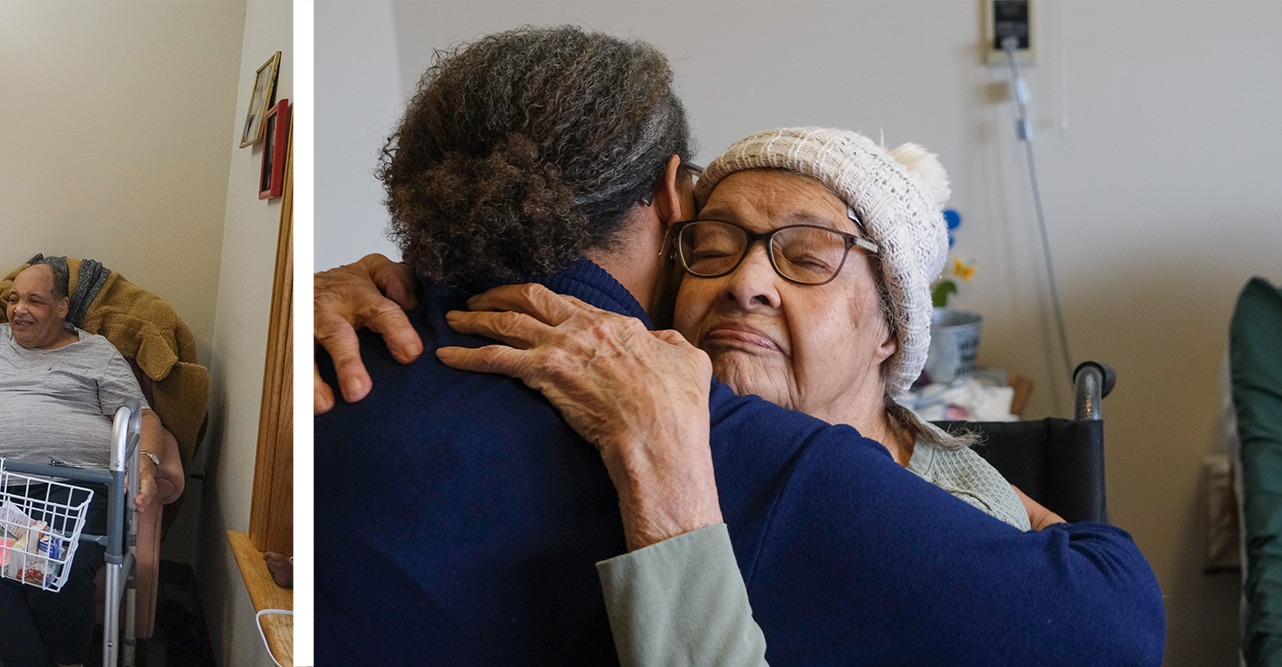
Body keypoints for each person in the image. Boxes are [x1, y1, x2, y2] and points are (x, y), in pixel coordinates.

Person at [314, 27, 1160, 667]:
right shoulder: (723, 450)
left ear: (895, 325)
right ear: (669, 211)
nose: (748, 282)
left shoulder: (336, 356)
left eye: (806, 255)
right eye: (714, 244)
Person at [0, 259, 186, 667]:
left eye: (34, 300)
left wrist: (147, 463)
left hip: (76, 490)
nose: (19, 309)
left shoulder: (96, 352)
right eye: (14, 299)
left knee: (62, 564)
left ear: (63, 307)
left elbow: (144, 417)